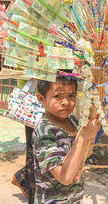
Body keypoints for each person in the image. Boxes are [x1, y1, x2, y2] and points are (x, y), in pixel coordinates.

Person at [33, 75, 100, 203]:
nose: (66, 102)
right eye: (57, 96)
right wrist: (83, 136)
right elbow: (65, 177)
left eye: (71, 96)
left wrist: (92, 132)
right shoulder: (45, 131)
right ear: (41, 98)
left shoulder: (72, 121)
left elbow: (86, 153)